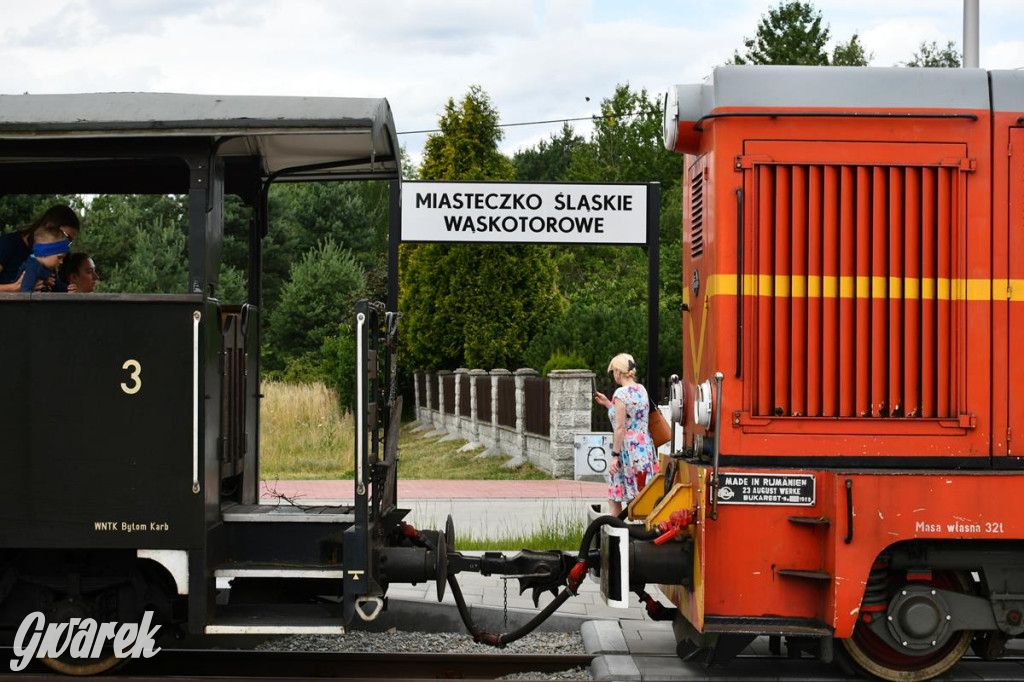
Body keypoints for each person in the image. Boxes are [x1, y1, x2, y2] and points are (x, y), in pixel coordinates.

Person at [594, 353, 659, 516]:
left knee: (614, 498)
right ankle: (650, 532)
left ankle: (615, 535)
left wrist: (615, 455)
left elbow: (620, 427)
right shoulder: (641, 389)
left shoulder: (621, 394)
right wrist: (609, 404)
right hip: (644, 447)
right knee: (645, 496)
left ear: (617, 372)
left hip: (627, 451)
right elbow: (632, 416)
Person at [0, 205, 81, 292]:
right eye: (65, 236)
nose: (66, 244)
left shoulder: (51, 260)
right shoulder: (8, 244)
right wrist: (14, 288)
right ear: (49, 226)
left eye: (69, 241)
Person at [17, 225, 71, 292]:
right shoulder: (32, 267)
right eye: (59, 257)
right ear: (44, 253)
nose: (61, 262)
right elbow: (26, 291)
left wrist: (67, 289)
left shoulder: (50, 267)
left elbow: (56, 284)